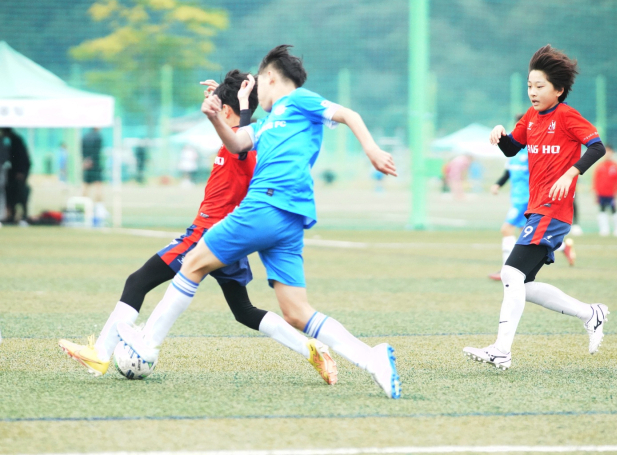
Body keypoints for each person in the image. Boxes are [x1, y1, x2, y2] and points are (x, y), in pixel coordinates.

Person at [118, 45, 401, 399]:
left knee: (192, 263)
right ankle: (371, 358)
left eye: (259, 84)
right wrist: (215, 117)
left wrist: (372, 150)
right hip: (289, 220)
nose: (256, 93)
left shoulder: (297, 101)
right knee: (297, 313)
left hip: (266, 204)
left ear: (269, 77)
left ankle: (146, 346)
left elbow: (349, 114)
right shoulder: (267, 124)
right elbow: (237, 143)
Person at [59, 70, 338, 385]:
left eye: (219, 107)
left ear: (229, 112)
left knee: (137, 281)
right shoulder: (241, 139)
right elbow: (236, 126)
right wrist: (228, 93)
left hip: (206, 235)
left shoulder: (243, 146)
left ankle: (102, 353)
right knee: (243, 311)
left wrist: (241, 103)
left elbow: (240, 141)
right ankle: (311, 348)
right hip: (228, 237)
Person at [463, 45, 608, 370]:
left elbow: (596, 146)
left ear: (558, 89)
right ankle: (591, 314)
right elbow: (513, 149)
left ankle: (501, 351)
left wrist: (571, 173)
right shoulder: (530, 117)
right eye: (530, 85)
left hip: (552, 211)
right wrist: (500, 135)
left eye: (539, 86)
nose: (533, 92)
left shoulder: (568, 116)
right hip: (537, 210)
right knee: (521, 285)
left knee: (510, 273)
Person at [488, 115, 575, 281]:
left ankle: (505, 270)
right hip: (517, 199)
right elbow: (508, 171)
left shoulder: (534, 150)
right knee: (526, 236)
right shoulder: (513, 151)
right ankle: (563, 247)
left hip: (528, 200)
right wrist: (497, 184)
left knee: (506, 229)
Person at [0, 127, 31, 225]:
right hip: (12, 173)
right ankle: (12, 215)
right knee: (11, 194)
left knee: (20, 194)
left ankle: (23, 216)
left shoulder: (16, 141)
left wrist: (21, 172)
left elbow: (23, 159)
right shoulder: (10, 141)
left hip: (18, 173)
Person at [593, 144, 617, 237]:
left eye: (609, 151)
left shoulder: (615, 166)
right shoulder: (600, 165)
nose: (607, 154)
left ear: (612, 153)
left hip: (612, 193)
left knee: (614, 210)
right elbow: (596, 180)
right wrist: (595, 192)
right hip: (601, 193)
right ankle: (604, 229)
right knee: (602, 210)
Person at [82, 127, 103, 202]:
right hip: (95, 164)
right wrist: (92, 160)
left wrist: (86, 160)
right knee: (98, 186)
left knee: (85, 185)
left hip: (87, 164)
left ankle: (82, 205)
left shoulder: (85, 136)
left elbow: (82, 150)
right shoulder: (98, 137)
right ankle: (99, 206)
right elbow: (97, 151)